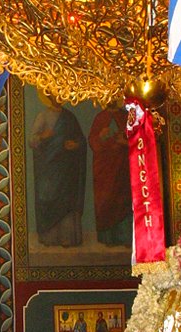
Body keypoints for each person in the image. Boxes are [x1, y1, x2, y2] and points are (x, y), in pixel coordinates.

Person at [29, 93, 87, 248]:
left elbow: (81, 139)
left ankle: (67, 237)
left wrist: (75, 145)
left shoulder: (70, 117)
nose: (59, 97)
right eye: (56, 93)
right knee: (48, 198)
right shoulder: (43, 116)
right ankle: (49, 237)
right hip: (48, 168)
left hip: (67, 168)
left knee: (66, 201)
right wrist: (42, 136)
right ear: (49, 95)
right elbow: (32, 141)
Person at [88, 101, 132, 246]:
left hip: (122, 167)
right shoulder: (101, 118)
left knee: (123, 200)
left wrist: (124, 142)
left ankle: (125, 237)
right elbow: (93, 142)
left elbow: (136, 140)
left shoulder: (126, 117)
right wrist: (101, 136)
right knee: (106, 200)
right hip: (105, 168)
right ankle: (108, 238)